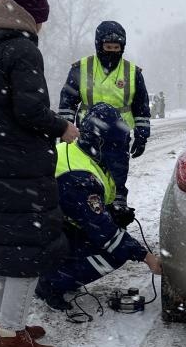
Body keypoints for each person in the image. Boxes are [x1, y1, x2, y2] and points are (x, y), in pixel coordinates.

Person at [0, 0, 79, 347]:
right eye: (41, 21)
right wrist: (63, 127)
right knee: (27, 251)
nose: (42, 29)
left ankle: (2, 324)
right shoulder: (22, 50)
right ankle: (13, 335)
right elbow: (29, 111)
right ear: (30, 17)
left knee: (4, 250)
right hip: (20, 167)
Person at [35, 103, 162, 311]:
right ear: (103, 142)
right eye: (118, 143)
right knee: (115, 251)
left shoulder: (79, 152)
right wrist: (146, 257)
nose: (122, 149)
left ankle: (55, 271)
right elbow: (104, 232)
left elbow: (91, 210)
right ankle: (51, 282)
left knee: (112, 238)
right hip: (41, 239)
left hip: (45, 230)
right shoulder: (79, 177)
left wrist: (113, 212)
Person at [57, 21, 150, 208]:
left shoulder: (132, 72)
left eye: (117, 48)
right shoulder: (81, 68)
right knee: (87, 174)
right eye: (108, 47)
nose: (112, 52)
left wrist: (142, 134)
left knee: (117, 176)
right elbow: (67, 102)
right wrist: (64, 128)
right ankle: (90, 210)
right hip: (87, 135)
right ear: (99, 45)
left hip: (119, 135)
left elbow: (141, 107)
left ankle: (117, 211)